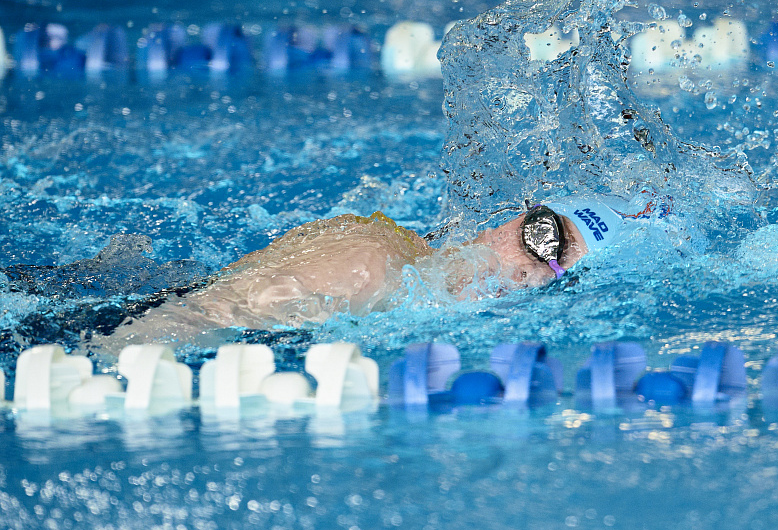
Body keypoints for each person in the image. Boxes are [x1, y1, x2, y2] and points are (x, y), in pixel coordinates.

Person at [109, 193, 673, 345]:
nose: (529, 271)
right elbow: (182, 320)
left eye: (556, 273)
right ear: (511, 220)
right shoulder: (373, 262)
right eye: (541, 236)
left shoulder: (418, 302)